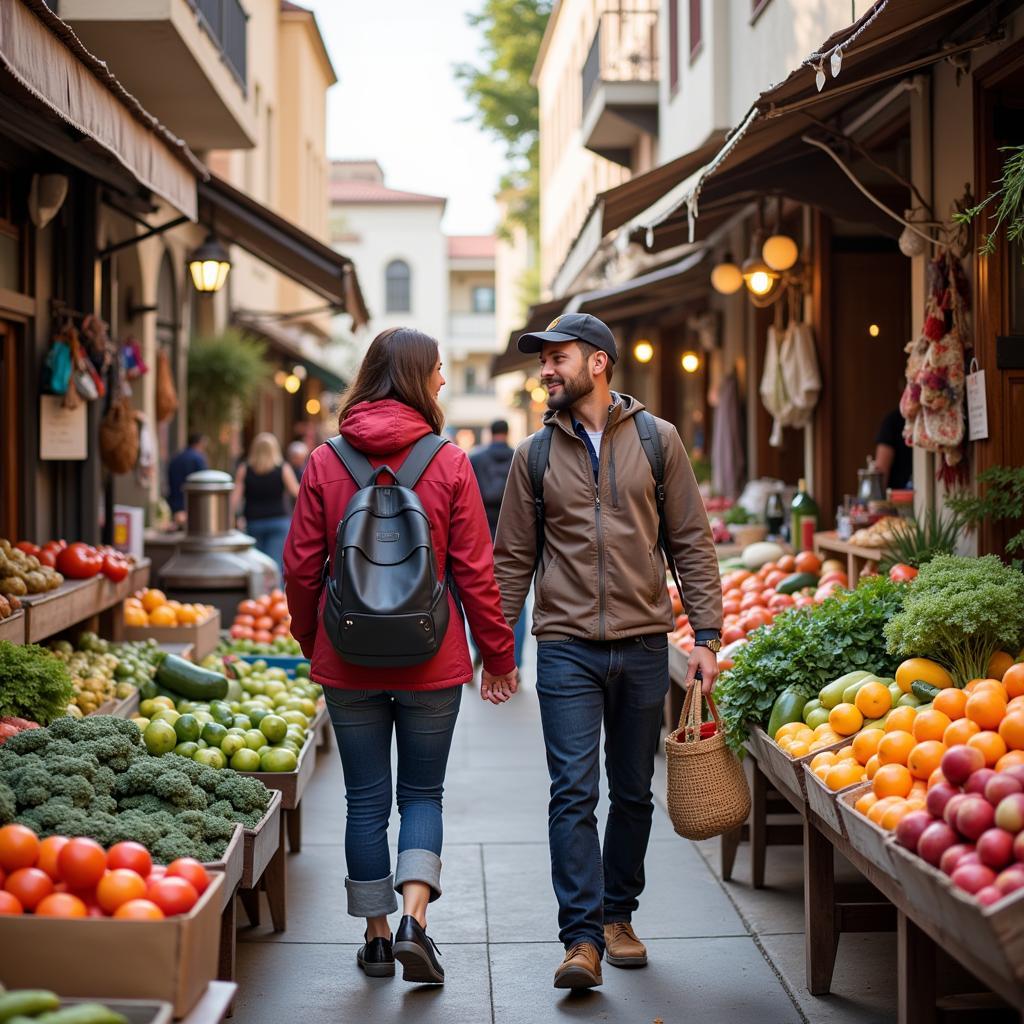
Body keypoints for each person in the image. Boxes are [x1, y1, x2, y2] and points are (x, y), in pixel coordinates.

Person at [492, 313, 723, 991]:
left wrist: (706, 635)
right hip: (564, 647)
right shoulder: (533, 455)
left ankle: (619, 915)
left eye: (557, 358)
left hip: (645, 641)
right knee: (572, 792)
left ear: (598, 362)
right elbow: (511, 559)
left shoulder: (658, 441)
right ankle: (582, 940)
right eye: (543, 361)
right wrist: (500, 647)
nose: (545, 370)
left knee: (633, 792)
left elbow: (691, 542)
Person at [283, 327, 518, 986]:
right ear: (418, 378)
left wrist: (313, 640)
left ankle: (378, 937)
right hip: (431, 657)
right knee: (422, 793)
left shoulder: (326, 460)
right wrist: (497, 653)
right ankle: (416, 918)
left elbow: (301, 567)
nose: (444, 379)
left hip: (348, 654)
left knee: (363, 800)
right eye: (439, 369)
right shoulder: (448, 460)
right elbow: (476, 571)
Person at [469, 419, 526, 665]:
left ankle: (482, 650)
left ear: (490, 433)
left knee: (479, 598)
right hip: (514, 540)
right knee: (517, 600)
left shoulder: (476, 459)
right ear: (507, 432)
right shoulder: (520, 458)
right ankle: (513, 659)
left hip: (481, 539)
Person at [232, 433, 300, 574]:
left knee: (255, 565)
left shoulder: (244, 469)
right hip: (278, 520)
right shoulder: (283, 468)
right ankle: (275, 595)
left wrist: (233, 518)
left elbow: (234, 499)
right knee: (274, 565)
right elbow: (298, 493)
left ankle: (258, 595)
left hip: (253, 521)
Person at [166, 433, 207, 527]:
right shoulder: (198, 459)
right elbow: (204, 482)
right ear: (198, 444)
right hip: (192, 506)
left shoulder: (175, 458)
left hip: (175, 504)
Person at [874, 407, 913, 491]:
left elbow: (881, 469)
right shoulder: (894, 420)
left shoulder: (893, 420)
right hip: (898, 494)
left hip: (898, 494)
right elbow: (881, 469)